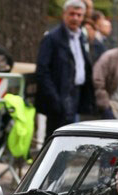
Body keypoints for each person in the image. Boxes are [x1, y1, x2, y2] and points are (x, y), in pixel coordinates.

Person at [35, 0, 94, 138]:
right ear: (64, 14)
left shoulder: (81, 37)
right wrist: (54, 98)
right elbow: (42, 70)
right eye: (72, 14)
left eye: (79, 15)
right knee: (56, 135)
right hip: (59, 93)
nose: (75, 18)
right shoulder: (52, 38)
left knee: (70, 136)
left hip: (76, 93)